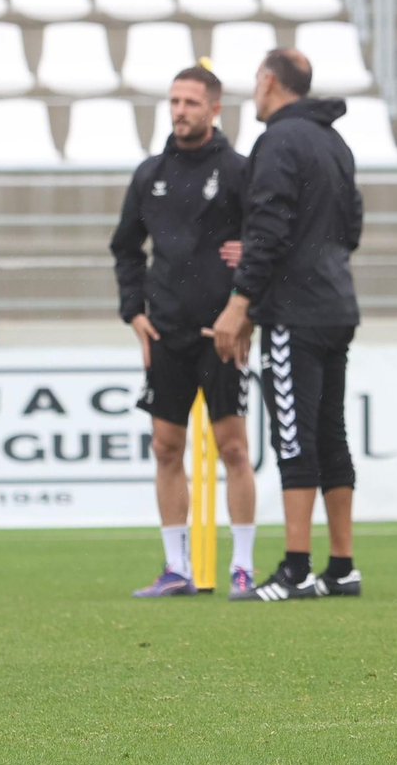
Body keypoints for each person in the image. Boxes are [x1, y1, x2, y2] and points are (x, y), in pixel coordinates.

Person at [210, 49, 364, 603]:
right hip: (337, 304)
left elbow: (269, 229)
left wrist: (240, 303)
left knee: (294, 437)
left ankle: (296, 568)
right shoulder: (334, 141)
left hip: (294, 313)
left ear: (269, 82)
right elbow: (352, 225)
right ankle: (341, 566)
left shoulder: (277, 141)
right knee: (331, 434)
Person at [111, 65, 258, 600]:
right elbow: (126, 247)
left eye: (191, 102)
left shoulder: (240, 171)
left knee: (234, 449)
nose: (180, 111)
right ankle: (176, 567)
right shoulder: (150, 173)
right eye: (174, 101)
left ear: (214, 109)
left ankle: (242, 565)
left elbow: (264, 243)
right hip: (166, 332)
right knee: (166, 447)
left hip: (221, 334)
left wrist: (246, 309)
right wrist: (134, 311)